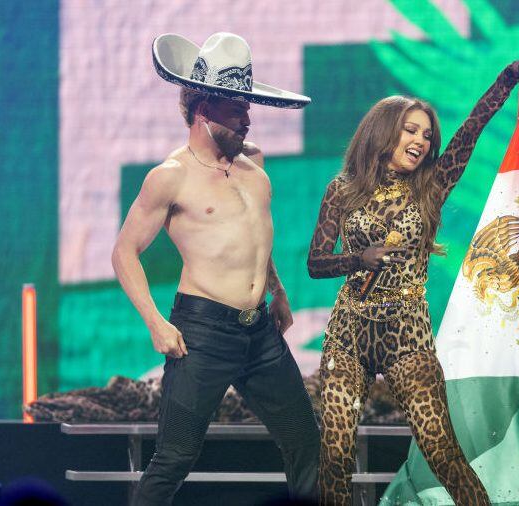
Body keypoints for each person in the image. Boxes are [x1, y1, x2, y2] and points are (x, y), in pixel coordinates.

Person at [307, 56, 519, 505]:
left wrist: (505, 80)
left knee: (442, 451)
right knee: (335, 453)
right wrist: (360, 258)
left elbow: (470, 131)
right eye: (410, 130)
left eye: (426, 134)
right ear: (383, 132)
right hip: (348, 333)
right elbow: (316, 263)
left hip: (407, 336)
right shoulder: (342, 188)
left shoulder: (430, 187)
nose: (420, 140)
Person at [113, 32, 319, 505]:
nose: (248, 118)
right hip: (202, 333)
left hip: (259, 333)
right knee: (174, 458)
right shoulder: (171, 177)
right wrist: (155, 323)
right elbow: (124, 253)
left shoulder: (255, 165)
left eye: (248, 107)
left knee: (306, 440)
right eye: (236, 109)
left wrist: (278, 291)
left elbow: (255, 236)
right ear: (202, 109)